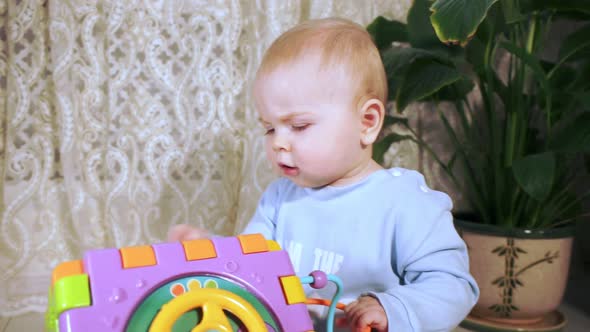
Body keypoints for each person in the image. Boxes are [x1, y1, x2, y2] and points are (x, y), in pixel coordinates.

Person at [169, 17, 479, 332]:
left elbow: (453, 286)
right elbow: (252, 270)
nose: (278, 142)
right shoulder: (280, 199)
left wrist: (393, 308)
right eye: (269, 128)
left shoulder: (407, 203)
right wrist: (212, 253)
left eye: (299, 126)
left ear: (367, 122)